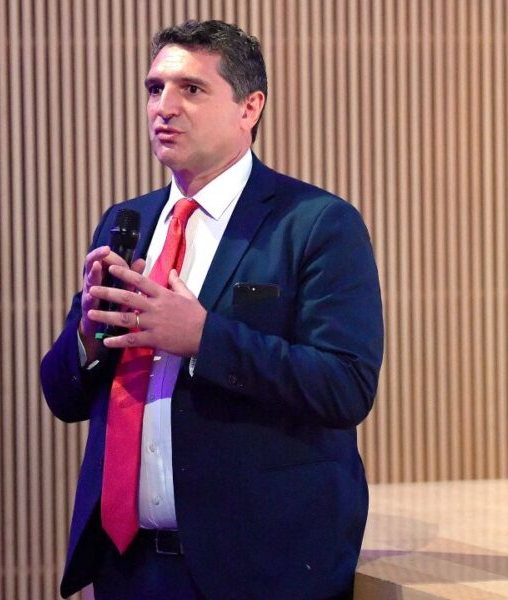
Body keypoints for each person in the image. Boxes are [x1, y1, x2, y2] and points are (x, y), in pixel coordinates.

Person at [40, 20, 384, 599]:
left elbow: (345, 386)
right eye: (155, 88)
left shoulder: (316, 224)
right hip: (129, 567)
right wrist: (87, 338)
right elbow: (62, 395)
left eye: (191, 90)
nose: (164, 108)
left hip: (261, 569)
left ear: (250, 107)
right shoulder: (129, 222)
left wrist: (204, 337)